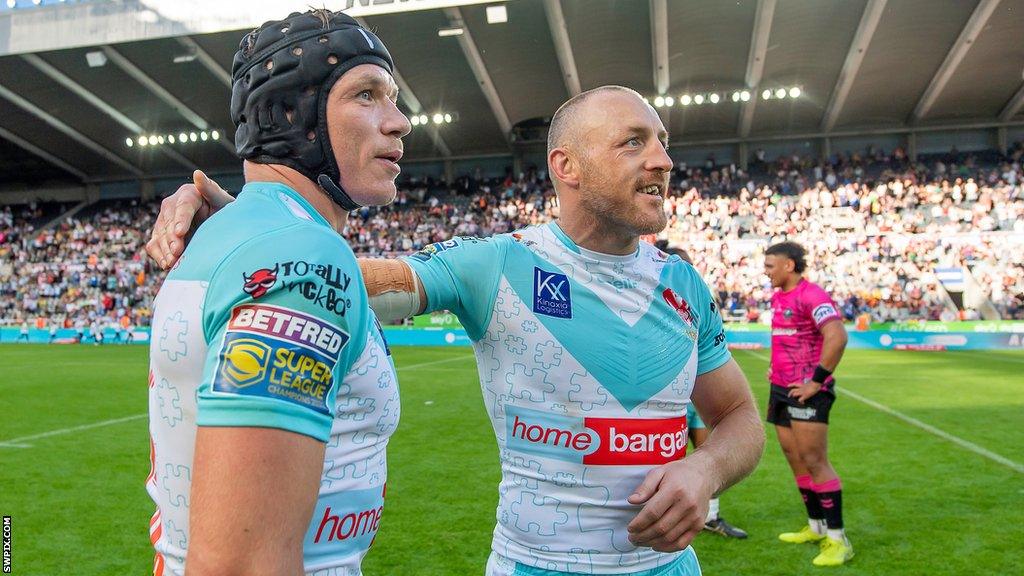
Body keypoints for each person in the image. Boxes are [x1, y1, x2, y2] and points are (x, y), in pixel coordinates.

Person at [149, 85, 764, 576]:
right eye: (633, 143)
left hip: (672, 568)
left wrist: (704, 471)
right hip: (536, 566)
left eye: (661, 142)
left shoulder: (685, 287)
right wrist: (245, 225)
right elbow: (328, 276)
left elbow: (738, 416)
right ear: (566, 165)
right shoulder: (495, 263)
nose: (662, 159)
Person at [146, 10, 408, 575]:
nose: (400, 121)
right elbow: (240, 564)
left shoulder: (243, 236)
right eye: (368, 95)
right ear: (292, 115)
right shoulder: (299, 256)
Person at [763, 241, 853, 567]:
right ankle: (816, 527)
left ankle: (838, 540)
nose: (766, 271)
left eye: (771, 265)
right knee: (795, 458)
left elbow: (837, 336)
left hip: (808, 392)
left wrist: (816, 381)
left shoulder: (812, 295)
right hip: (781, 389)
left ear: (789, 265)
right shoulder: (778, 297)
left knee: (815, 460)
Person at [662, 244, 748, 540]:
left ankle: (711, 516)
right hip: (667, 399)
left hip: (698, 398)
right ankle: (665, 514)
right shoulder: (651, 299)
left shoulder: (696, 301)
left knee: (704, 454)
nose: (686, 273)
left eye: (688, 267)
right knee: (666, 459)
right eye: (679, 265)